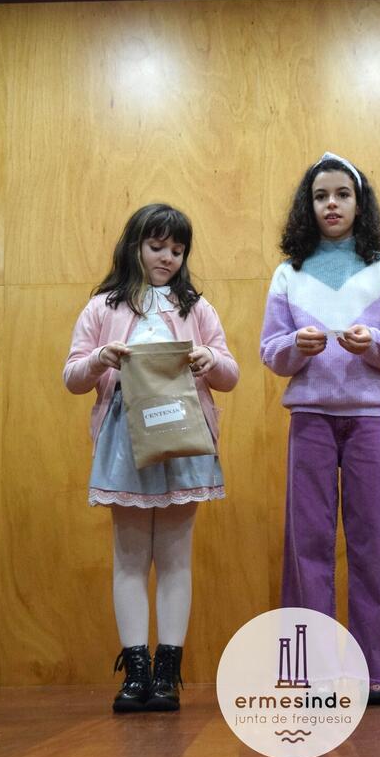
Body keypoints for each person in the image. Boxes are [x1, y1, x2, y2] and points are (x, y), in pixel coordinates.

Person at [64, 203, 238, 713]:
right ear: (134, 246)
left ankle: (167, 675)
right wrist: (100, 359)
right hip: (125, 438)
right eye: (157, 246)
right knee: (130, 557)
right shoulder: (103, 307)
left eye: (177, 250)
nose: (167, 257)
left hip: (184, 437)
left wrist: (210, 360)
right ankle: (136, 673)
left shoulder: (196, 308)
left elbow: (230, 374)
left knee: (177, 557)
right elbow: (72, 376)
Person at [259, 152, 380, 705]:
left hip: (367, 420)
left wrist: (372, 343)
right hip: (310, 418)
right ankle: (312, 672)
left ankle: (376, 671)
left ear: (359, 203)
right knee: (307, 542)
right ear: (308, 206)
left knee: (374, 541)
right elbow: (270, 352)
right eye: (321, 196)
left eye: (342, 195)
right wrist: (293, 347)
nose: (331, 204)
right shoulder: (289, 272)